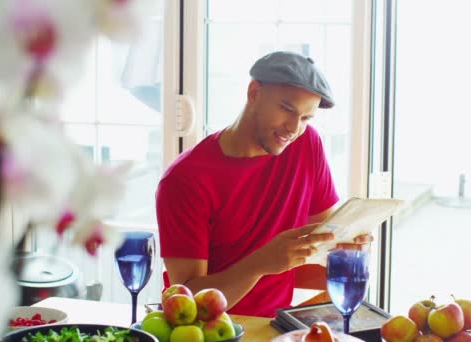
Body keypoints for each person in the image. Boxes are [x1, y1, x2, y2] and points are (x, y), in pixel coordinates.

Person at [156, 51, 371, 317]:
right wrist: (259, 264)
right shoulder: (185, 179)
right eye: (287, 109)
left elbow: (323, 234)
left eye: (305, 118)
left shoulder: (306, 144)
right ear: (254, 93)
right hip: (214, 331)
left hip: (276, 326)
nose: (293, 128)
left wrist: (344, 244)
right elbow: (189, 307)